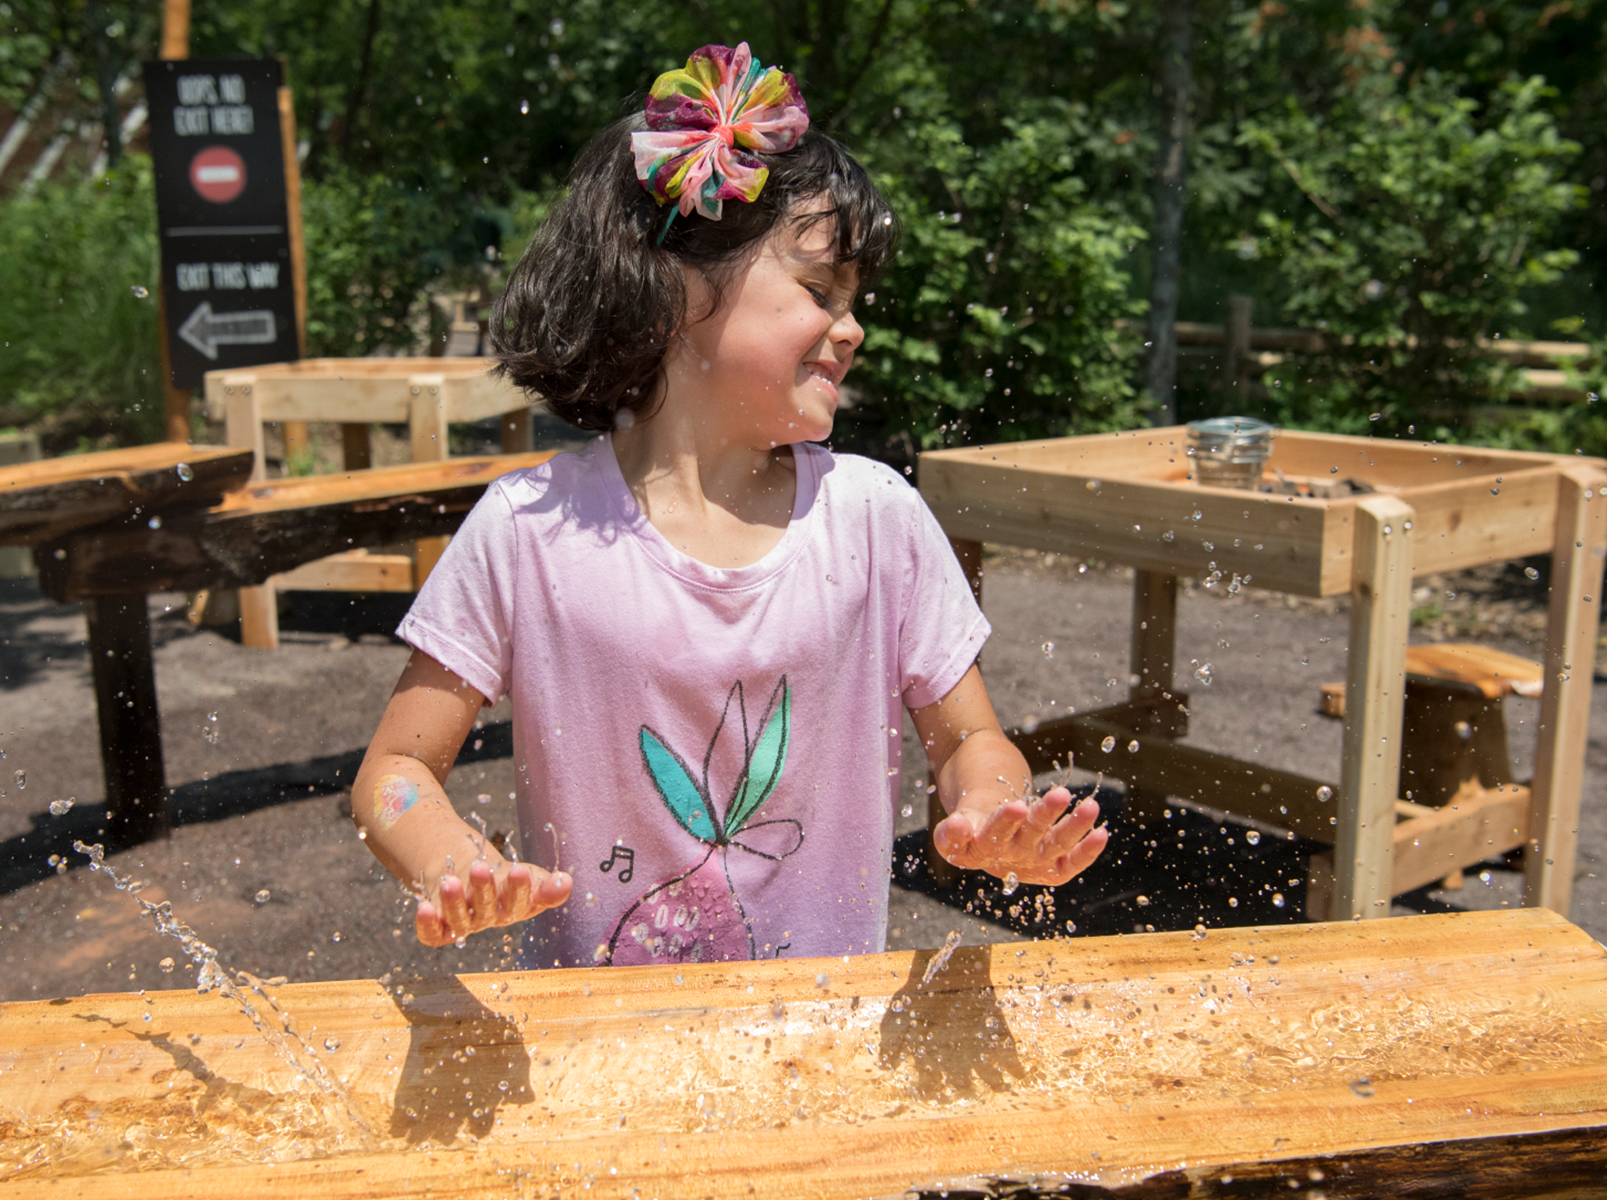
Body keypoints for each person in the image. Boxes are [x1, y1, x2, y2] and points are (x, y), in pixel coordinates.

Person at [352, 42, 1108, 968]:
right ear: (676, 287)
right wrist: (452, 861)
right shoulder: (528, 531)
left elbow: (971, 740)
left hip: (826, 1037)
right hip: (596, 1050)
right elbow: (395, 771)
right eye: (821, 290)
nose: (855, 326)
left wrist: (991, 806)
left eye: (857, 298)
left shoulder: (873, 520)